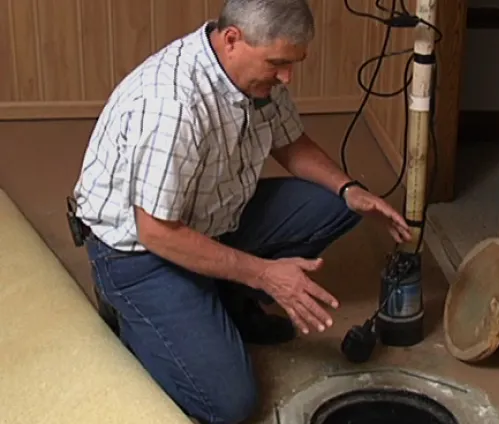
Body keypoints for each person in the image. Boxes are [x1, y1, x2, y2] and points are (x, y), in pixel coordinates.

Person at [70, 1, 411, 423]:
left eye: (293, 63)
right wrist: (266, 274)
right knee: (229, 403)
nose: (287, 76)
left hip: (211, 215)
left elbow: (290, 143)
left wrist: (349, 188)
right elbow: (156, 231)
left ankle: (223, 295)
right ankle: (132, 311)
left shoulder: (256, 77)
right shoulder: (172, 103)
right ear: (232, 39)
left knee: (333, 205)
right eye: (279, 64)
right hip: (138, 253)